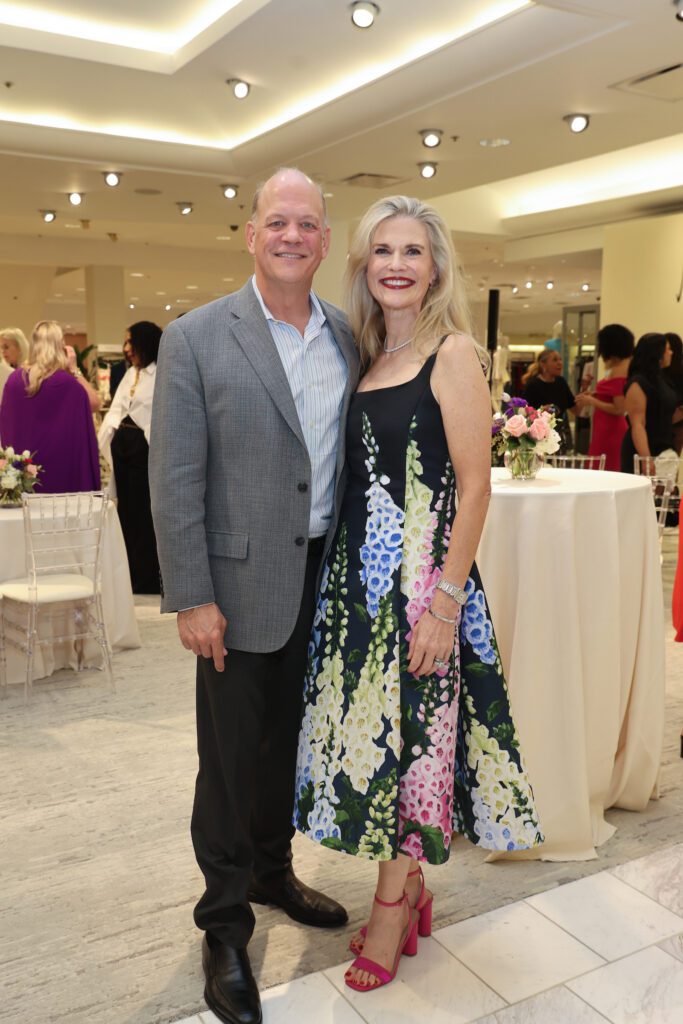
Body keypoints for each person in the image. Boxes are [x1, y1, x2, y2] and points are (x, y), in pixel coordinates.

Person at [293, 196, 543, 993]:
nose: (396, 264)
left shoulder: (452, 352)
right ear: (363, 265)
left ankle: (391, 908)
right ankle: (412, 890)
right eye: (382, 250)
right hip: (360, 594)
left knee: (412, 754)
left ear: (435, 268)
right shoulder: (369, 354)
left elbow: (475, 489)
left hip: (422, 595)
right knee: (381, 748)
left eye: (412, 251)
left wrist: (444, 604)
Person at [149, 168, 359, 1024]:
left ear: (325, 240)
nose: (292, 236)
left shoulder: (347, 335)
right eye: (278, 221)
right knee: (230, 760)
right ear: (251, 234)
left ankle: (273, 872)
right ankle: (224, 924)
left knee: (288, 747)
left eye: (307, 224)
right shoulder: (197, 337)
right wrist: (191, 595)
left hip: (324, 579)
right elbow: (175, 478)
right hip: (233, 590)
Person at [99, 321, 162, 594]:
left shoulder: (161, 373)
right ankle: (130, 574)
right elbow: (117, 408)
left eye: (130, 342)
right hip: (122, 446)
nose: (126, 349)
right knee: (125, 512)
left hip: (144, 449)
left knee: (143, 513)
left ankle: (147, 577)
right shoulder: (130, 373)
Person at [0, 320, 100, 492]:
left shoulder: (14, 380)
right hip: (61, 474)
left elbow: (7, 428)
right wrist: (74, 369)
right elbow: (95, 403)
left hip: (24, 474)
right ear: (60, 346)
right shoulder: (68, 383)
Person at [576, 323, 634, 471]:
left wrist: (592, 400)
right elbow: (612, 396)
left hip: (611, 429)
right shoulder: (618, 367)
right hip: (604, 427)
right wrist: (596, 395)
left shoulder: (619, 370)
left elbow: (619, 408)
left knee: (606, 467)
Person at [621, 333, 677, 472]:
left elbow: (665, 414)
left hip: (663, 448)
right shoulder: (638, 382)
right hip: (643, 449)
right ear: (658, 353)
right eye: (668, 349)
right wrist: (646, 459)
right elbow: (638, 424)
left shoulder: (661, 380)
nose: (671, 353)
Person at [522, 348, 576, 452]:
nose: (559, 363)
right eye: (555, 360)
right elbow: (525, 413)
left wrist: (584, 389)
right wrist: (542, 410)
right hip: (539, 437)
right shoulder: (532, 385)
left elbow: (575, 409)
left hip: (560, 435)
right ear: (543, 364)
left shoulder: (561, 382)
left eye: (560, 359)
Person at [662, 332, 683, 454]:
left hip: (676, 423)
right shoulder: (661, 370)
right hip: (667, 422)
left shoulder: (678, 371)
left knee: (671, 459)